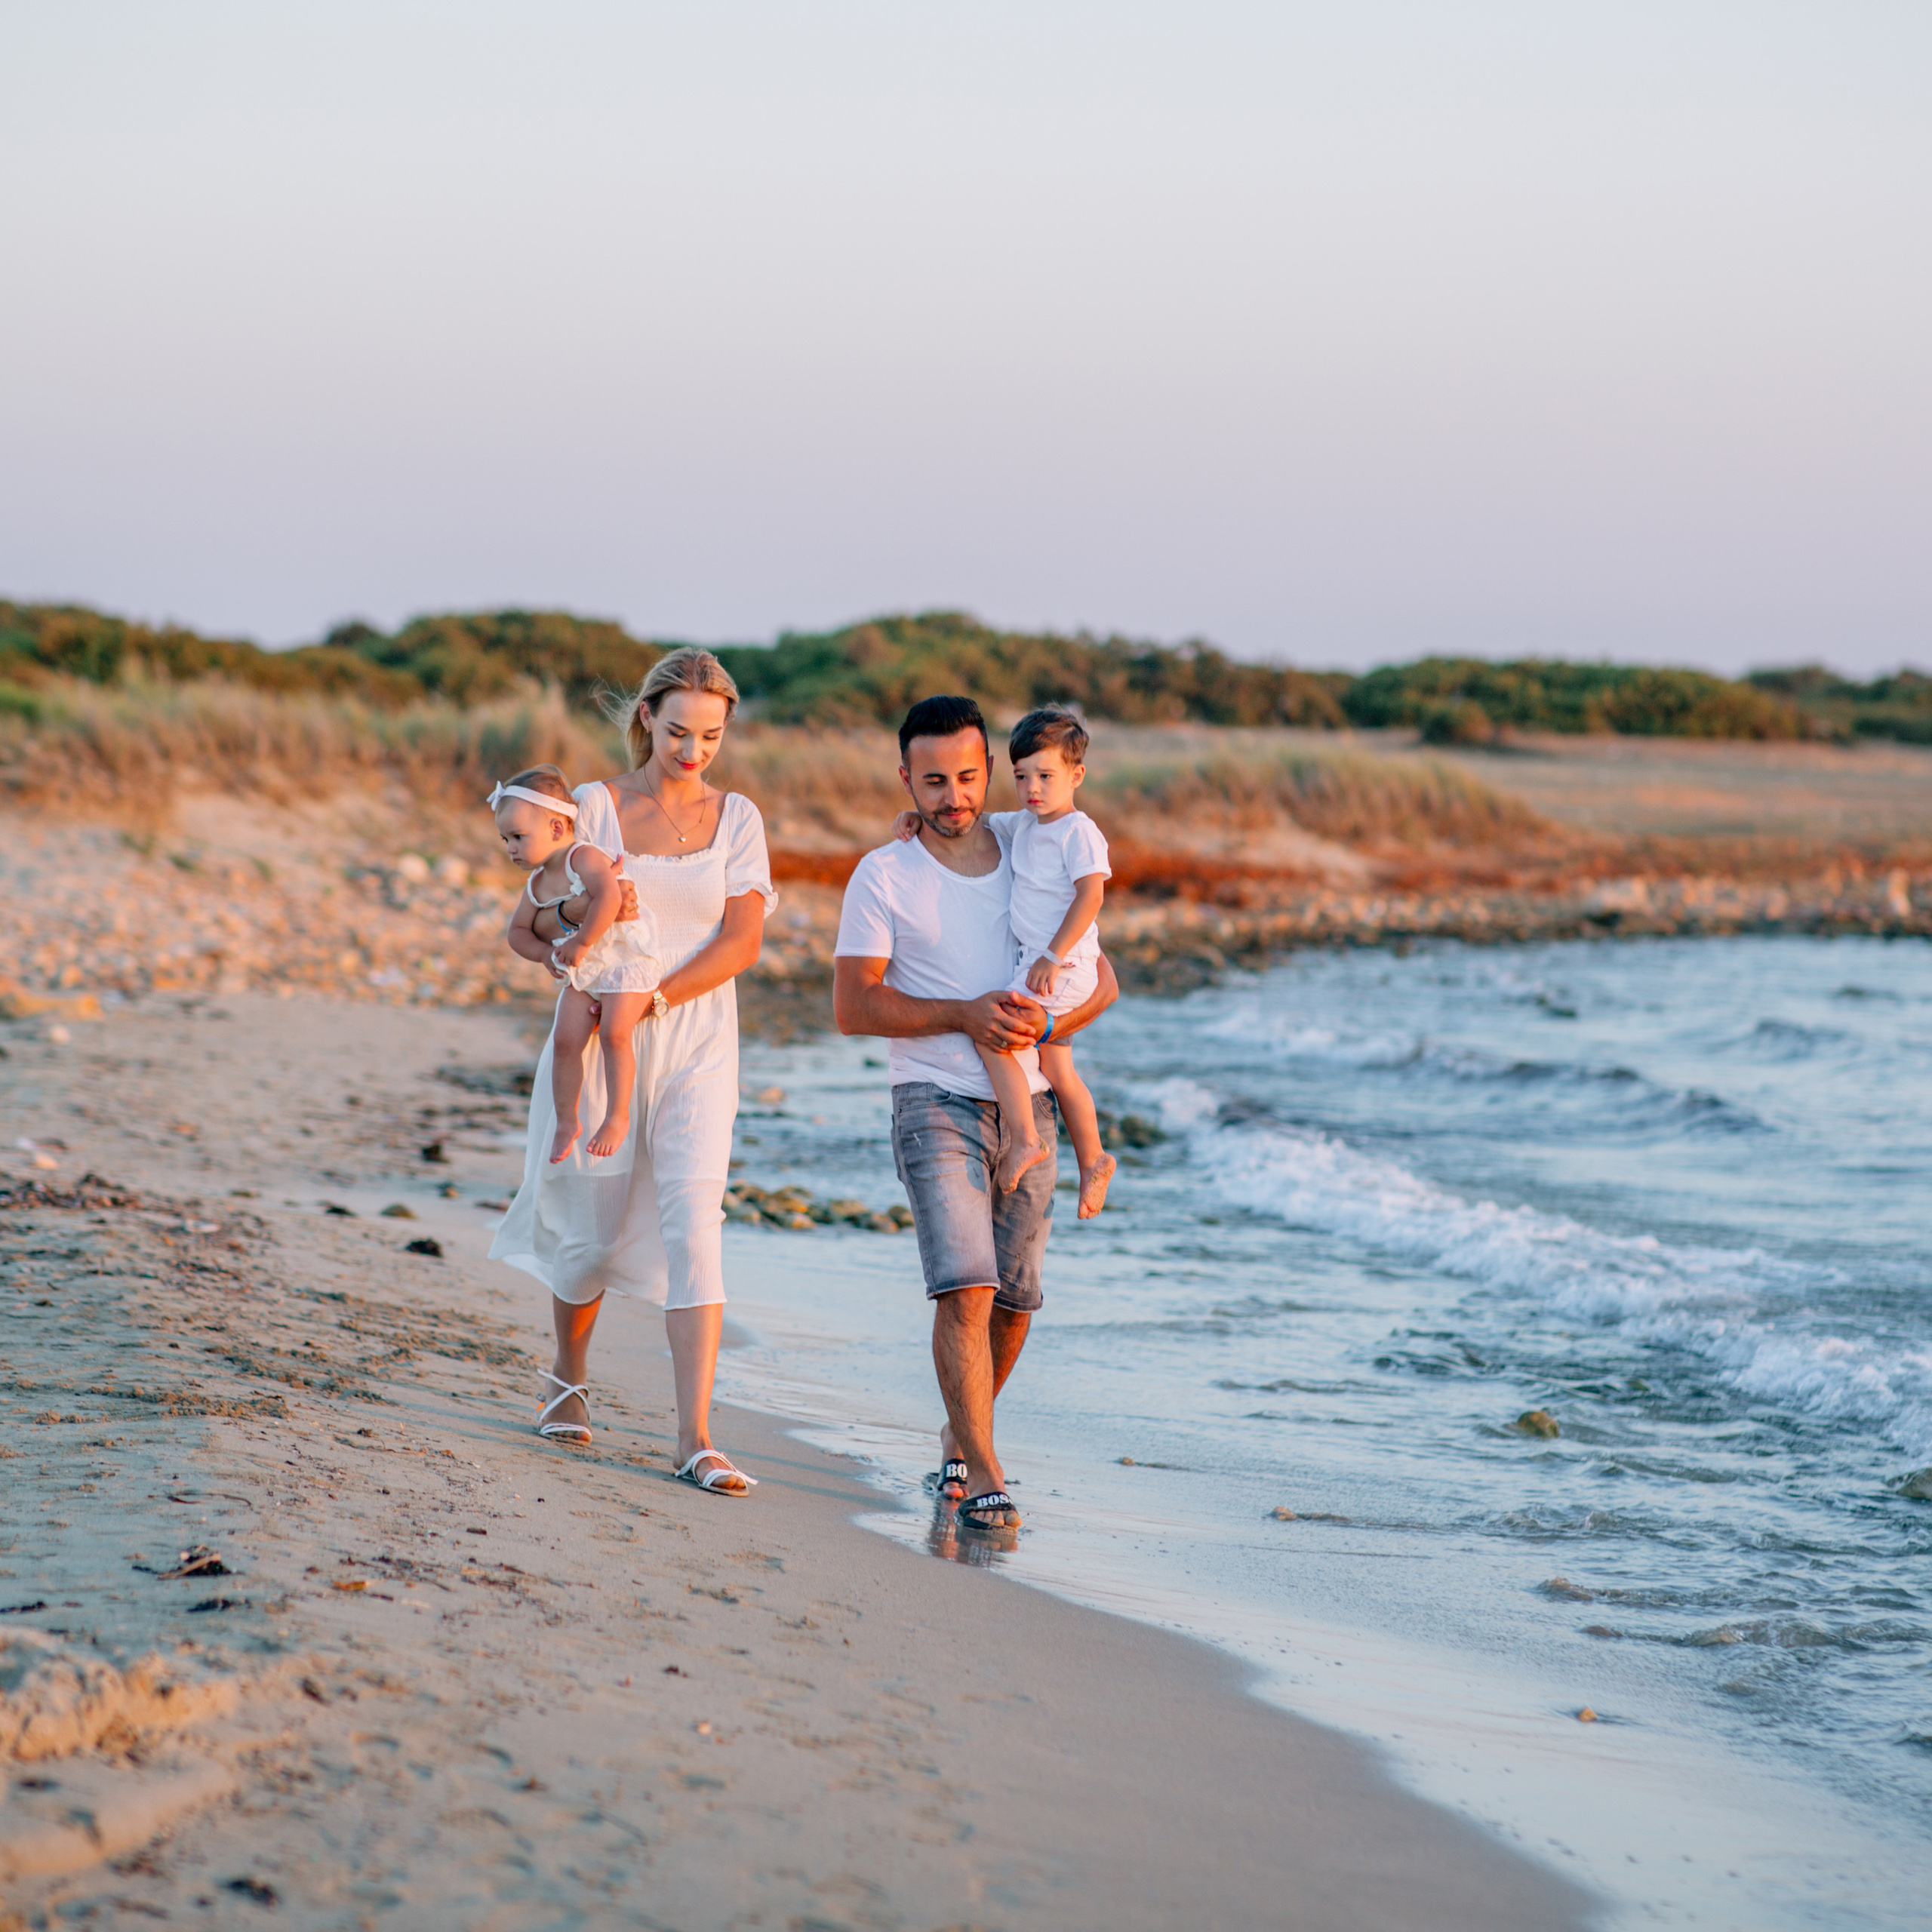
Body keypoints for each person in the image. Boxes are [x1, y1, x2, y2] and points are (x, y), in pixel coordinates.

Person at [490, 648, 776, 1497]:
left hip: (694, 1035)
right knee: (592, 1223)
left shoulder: (738, 818)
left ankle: (695, 1436)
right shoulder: (594, 806)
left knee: (695, 1218)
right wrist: (570, 940)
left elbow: (742, 942)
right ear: (647, 717)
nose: (693, 751)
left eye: (711, 737)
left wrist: (654, 998)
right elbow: (547, 904)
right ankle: (567, 1373)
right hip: (599, 1029)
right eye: (679, 730)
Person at [833, 694, 1118, 1530]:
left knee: (1016, 1299)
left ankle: (959, 1442)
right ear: (904, 779)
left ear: (988, 771)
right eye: (930, 782)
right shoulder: (883, 871)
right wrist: (962, 1013)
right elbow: (854, 1007)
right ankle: (985, 1468)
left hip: (1028, 1092)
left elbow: (1100, 980)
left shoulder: (1035, 838)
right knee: (966, 1284)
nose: (950, 797)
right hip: (932, 1096)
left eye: (965, 777)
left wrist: (1051, 1025)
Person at [894, 706, 1117, 1217]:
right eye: (1021, 777)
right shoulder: (1026, 824)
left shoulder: (1078, 831)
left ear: (1076, 776)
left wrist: (1051, 956)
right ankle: (1094, 1157)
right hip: (1046, 964)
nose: (1033, 788)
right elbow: (972, 821)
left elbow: (1091, 898)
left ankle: (1023, 1138)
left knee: (991, 1032)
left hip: (1060, 966)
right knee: (1059, 1066)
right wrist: (915, 818)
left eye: (1046, 776)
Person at [490, 764, 663, 1164]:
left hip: (623, 958)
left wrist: (583, 940)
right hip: (583, 969)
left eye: (518, 837)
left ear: (555, 829)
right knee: (566, 1041)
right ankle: (567, 1120)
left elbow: (610, 898)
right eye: (505, 839)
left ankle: (618, 1116)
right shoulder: (535, 884)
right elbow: (518, 932)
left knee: (614, 1033)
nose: (511, 848)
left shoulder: (582, 856)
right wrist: (545, 954)